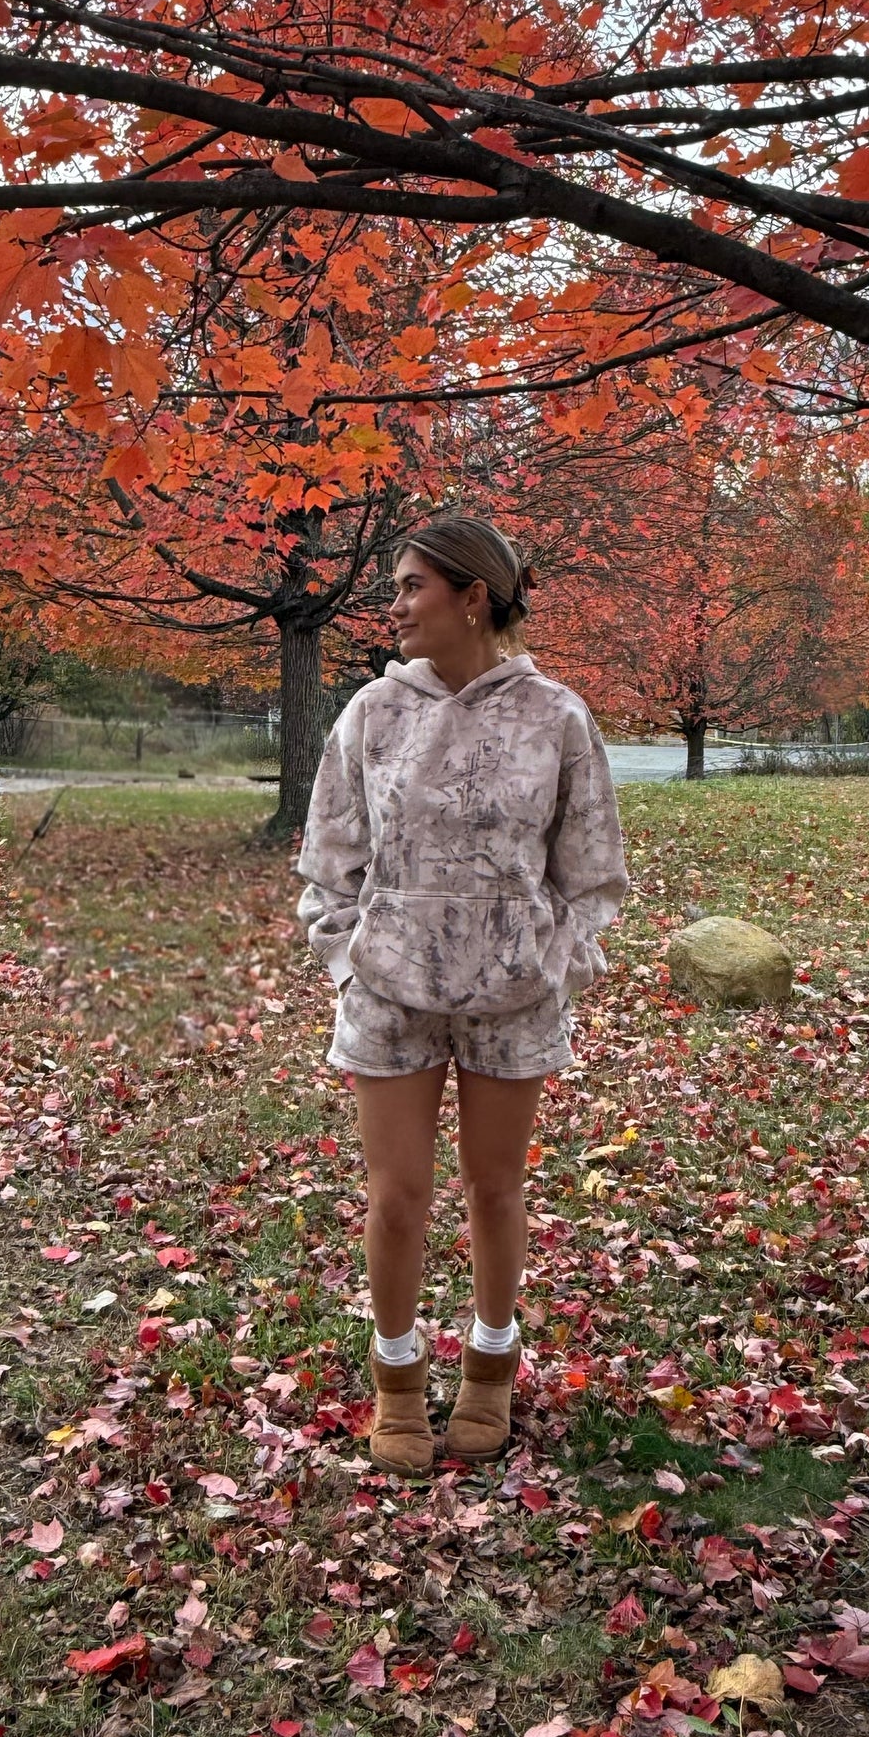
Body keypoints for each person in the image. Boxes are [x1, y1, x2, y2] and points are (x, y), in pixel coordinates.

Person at [295, 513, 627, 1473]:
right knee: (396, 1197)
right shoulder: (371, 713)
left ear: (473, 597)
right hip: (390, 997)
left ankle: (489, 1367)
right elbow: (329, 857)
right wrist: (351, 959)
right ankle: (397, 1380)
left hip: (512, 1003)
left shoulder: (558, 717)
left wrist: (550, 963)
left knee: (495, 1190)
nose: (394, 605)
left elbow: (592, 871)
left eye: (412, 586)